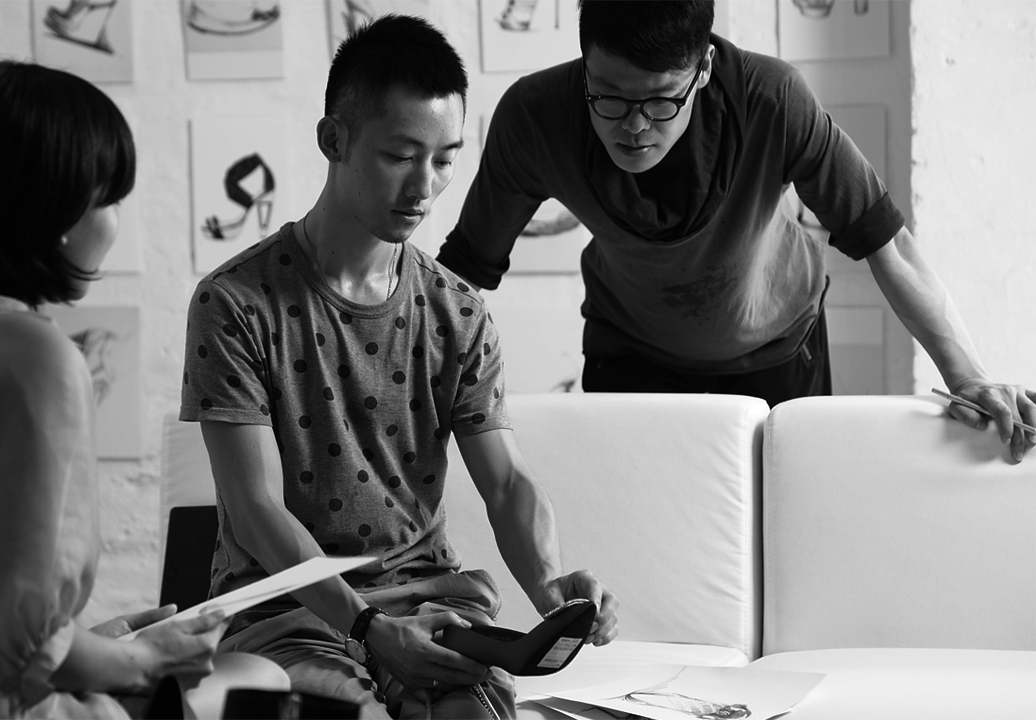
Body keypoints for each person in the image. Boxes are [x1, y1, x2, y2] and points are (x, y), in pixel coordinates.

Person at [180, 14, 619, 719]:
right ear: (334, 140)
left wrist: (550, 592)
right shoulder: (235, 303)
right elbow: (255, 509)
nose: (424, 185)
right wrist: (366, 627)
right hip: (285, 610)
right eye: (400, 155)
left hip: (430, 604)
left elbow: (506, 483)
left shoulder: (458, 311)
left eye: (444, 159)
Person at [436, 0, 1036, 462]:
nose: (635, 126)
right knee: (646, 528)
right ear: (584, 61)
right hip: (632, 351)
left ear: (702, 69)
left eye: (661, 100)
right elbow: (462, 276)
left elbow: (887, 241)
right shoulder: (534, 115)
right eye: (609, 96)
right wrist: (411, 382)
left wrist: (968, 376)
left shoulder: (772, 99)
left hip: (778, 344)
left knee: (792, 527)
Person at [0, 60, 230, 719]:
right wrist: (148, 660)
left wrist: (88, 645)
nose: (114, 224)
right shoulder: (34, 356)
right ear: (52, 209)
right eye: (108, 199)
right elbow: (25, 645)